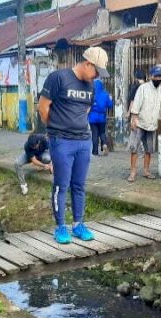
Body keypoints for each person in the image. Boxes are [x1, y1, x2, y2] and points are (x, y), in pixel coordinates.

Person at [38, 46, 110, 244]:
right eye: (96, 71)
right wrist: (56, 130)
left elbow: (85, 110)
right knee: (62, 185)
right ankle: (60, 227)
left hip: (83, 141)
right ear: (88, 64)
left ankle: (78, 224)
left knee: (79, 185)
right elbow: (43, 107)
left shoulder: (92, 86)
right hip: (61, 141)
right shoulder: (58, 78)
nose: (97, 76)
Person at [128, 65, 161, 182]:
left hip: (152, 125)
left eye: (160, 76)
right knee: (134, 147)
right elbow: (137, 103)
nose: (158, 78)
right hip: (139, 123)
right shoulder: (143, 88)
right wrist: (134, 118)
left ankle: (146, 171)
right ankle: (133, 172)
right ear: (151, 76)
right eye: (156, 76)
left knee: (149, 149)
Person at [88, 78, 113, 156]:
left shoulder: (91, 94)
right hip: (102, 117)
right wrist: (110, 99)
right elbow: (110, 105)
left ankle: (95, 151)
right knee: (102, 132)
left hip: (92, 117)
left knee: (94, 133)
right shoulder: (105, 94)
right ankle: (104, 144)